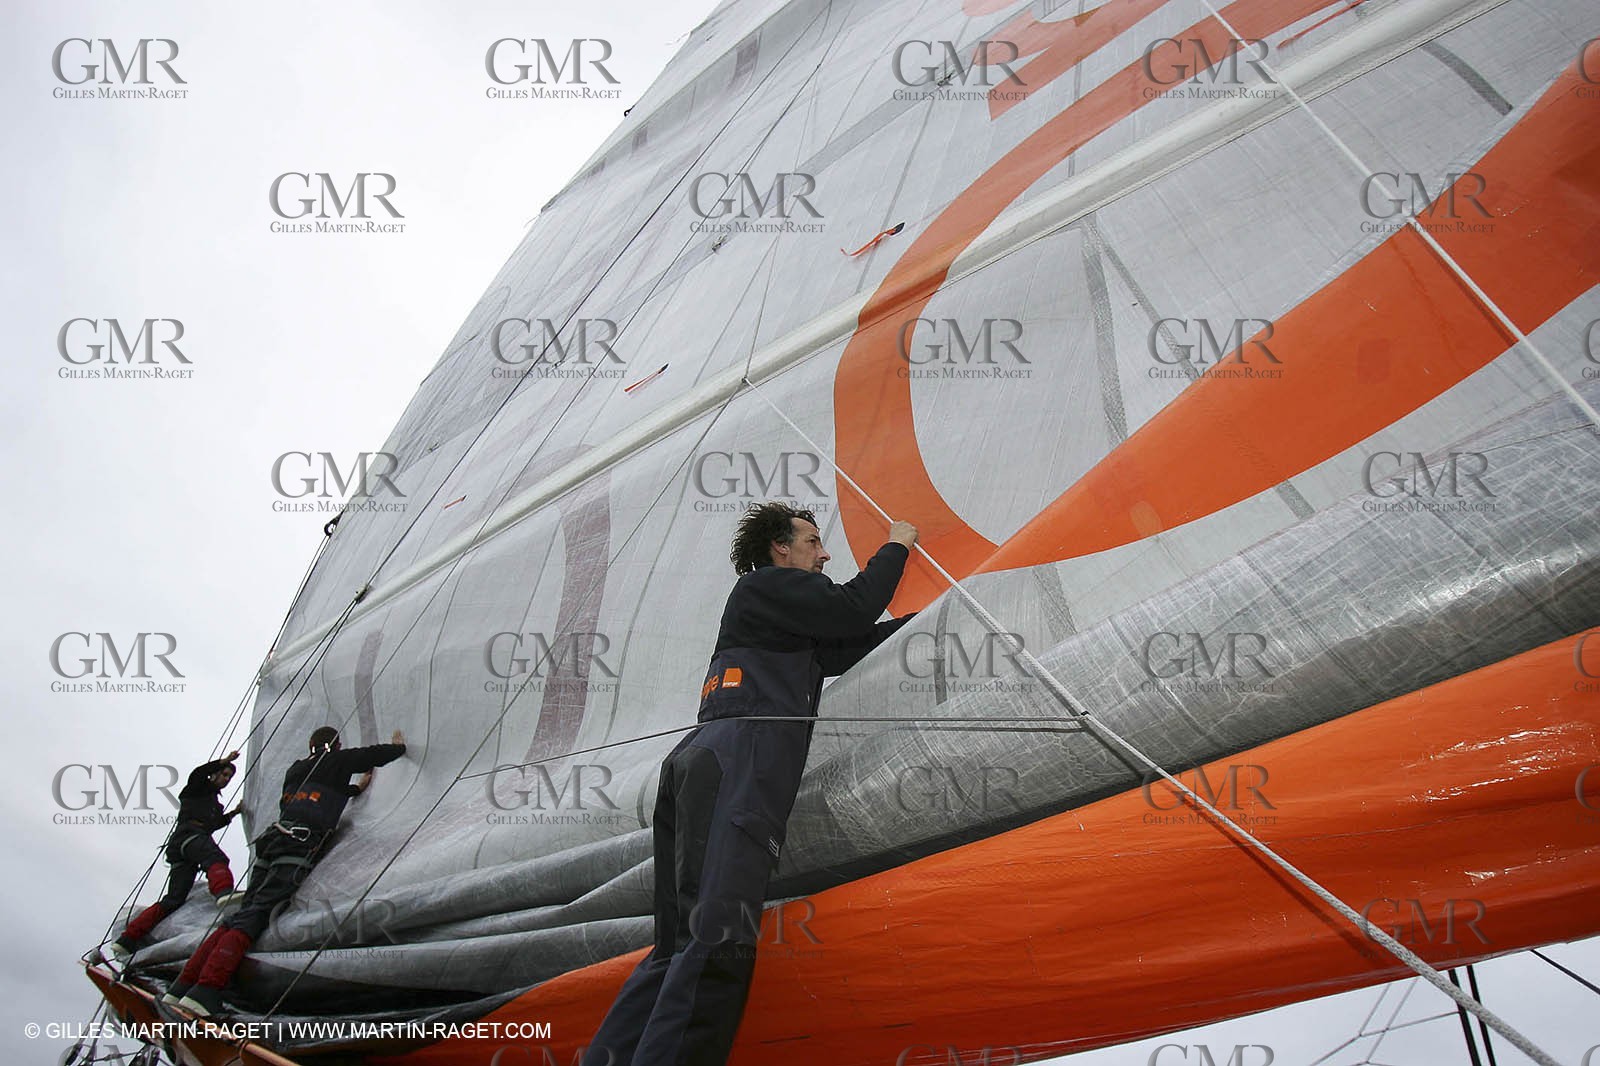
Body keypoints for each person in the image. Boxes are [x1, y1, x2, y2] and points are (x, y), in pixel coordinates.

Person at [584, 501, 919, 1066]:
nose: (825, 552)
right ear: (779, 549)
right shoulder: (763, 587)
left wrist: (949, 607)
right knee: (718, 938)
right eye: (813, 541)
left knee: (676, 947)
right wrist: (899, 543)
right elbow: (855, 608)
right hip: (739, 764)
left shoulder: (778, 620)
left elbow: (849, 643)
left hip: (704, 765)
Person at [166, 726, 407, 1015]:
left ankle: (182, 986)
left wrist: (356, 789)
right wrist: (398, 746)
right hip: (297, 844)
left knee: (240, 915)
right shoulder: (337, 760)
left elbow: (323, 789)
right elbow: (375, 755)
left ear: (310, 743)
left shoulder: (295, 769)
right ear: (338, 744)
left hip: (272, 842)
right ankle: (207, 988)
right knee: (256, 916)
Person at [107, 752, 243, 960]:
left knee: (173, 900)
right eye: (223, 774)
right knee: (216, 859)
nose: (226, 779)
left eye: (229, 777)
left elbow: (213, 824)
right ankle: (224, 894)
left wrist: (233, 813)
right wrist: (225, 760)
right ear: (213, 774)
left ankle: (126, 941)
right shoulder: (197, 788)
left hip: (182, 847)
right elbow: (198, 773)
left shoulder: (215, 805)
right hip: (190, 837)